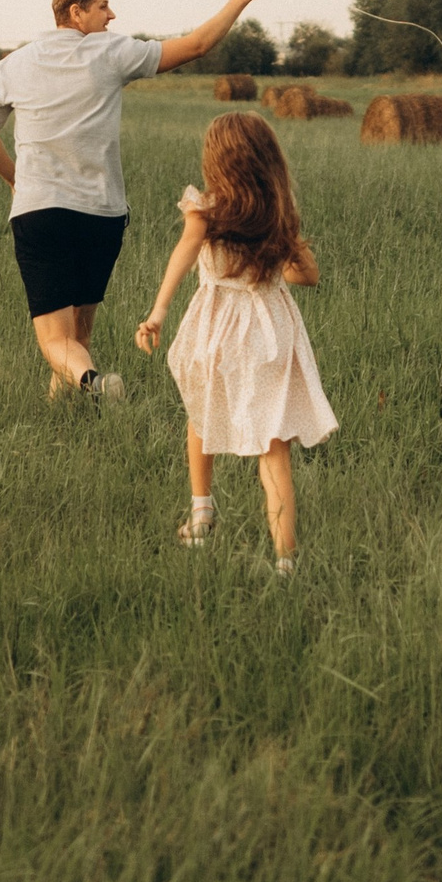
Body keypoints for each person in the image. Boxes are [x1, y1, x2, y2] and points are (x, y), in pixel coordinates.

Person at [0, 0, 268, 402]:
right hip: (101, 216)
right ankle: (68, 416)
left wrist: (16, 181)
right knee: (78, 338)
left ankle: (94, 384)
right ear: (76, 12)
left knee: (56, 341)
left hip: (41, 213)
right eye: (103, 5)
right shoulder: (110, 54)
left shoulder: (12, 65)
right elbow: (198, 45)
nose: (112, 15)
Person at [135, 112, 336, 571]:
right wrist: (273, 261)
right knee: (273, 444)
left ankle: (202, 514)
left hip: (219, 325)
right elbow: (308, 275)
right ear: (268, 161)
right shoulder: (278, 213)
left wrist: (158, 311)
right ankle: (286, 561)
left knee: (201, 412)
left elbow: (184, 254)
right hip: (268, 328)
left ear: (217, 162)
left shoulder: (206, 209)